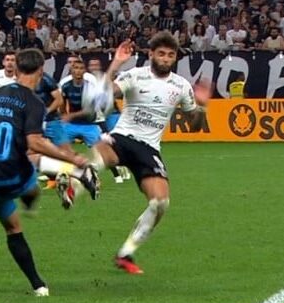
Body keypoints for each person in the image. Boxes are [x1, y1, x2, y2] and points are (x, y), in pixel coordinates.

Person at [0, 48, 98, 296]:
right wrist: (73, 156)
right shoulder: (33, 102)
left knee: (13, 229)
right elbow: (35, 141)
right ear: (39, 71)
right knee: (31, 167)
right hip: (14, 174)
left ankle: (38, 286)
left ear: (15, 69)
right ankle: (70, 173)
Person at [87, 32, 210, 274]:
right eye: (161, 53)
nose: (166, 58)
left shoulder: (181, 85)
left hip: (149, 147)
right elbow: (105, 94)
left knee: (161, 203)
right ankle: (74, 179)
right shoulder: (135, 75)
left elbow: (194, 125)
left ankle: (125, 253)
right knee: (101, 157)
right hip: (123, 136)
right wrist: (117, 63)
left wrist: (202, 105)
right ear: (151, 54)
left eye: (171, 55)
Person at [59, 59, 102, 147]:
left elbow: (90, 109)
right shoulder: (65, 86)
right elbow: (61, 104)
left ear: (85, 71)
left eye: (81, 68)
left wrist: (71, 115)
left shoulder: (91, 86)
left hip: (90, 125)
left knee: (101, 151)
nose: (78, 71)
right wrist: (64, 115)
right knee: (59, 149)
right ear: (71, 70)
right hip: (71, 124)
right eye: (76, 68)